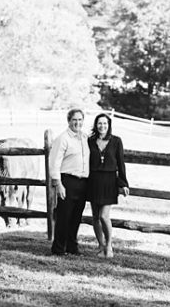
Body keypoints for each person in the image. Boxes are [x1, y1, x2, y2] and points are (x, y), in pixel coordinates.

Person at [88, 112, 130, 258]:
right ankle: (100, 246)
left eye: (105, 123)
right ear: (96, 125)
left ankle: (109, 245)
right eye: (99, 123)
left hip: (109, 181)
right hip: (93, 181)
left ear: (109, 125)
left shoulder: (116, 141)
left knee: (104, 216)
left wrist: (123, 183)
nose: (102, 126)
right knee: (95, 216)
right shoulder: (90, 141)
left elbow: (121, 163)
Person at [49, 107, 90, 256]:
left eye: (80, 120)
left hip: (83, 182)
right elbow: (54, 163)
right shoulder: (63, 138)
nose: (77, 123)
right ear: (69, 121)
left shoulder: (85, 138)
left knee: (76, 216)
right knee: (64, 216)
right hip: (67, 181)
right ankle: (58, 248)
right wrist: (58, 184)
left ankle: (71, 246)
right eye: (74, 120)